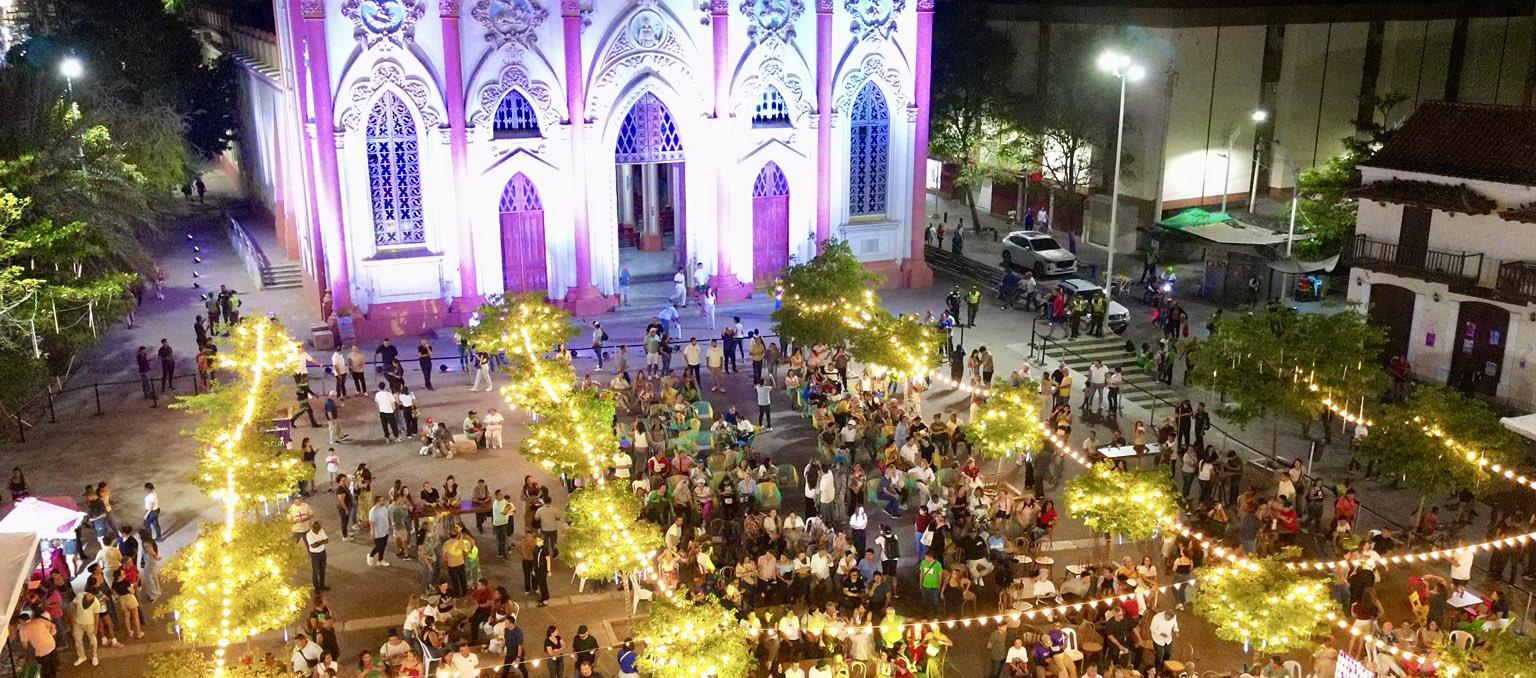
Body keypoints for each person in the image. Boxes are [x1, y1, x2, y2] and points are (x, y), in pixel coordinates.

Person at [19, 609, 59, 677]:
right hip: (51, 644)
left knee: (45, 669)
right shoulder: (38, 620)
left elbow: (24, 645)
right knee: (51, 663)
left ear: (21, 621)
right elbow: (52, 626)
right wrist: (49, 635)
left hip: (42, 650)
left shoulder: (23, 629)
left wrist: (30, 650)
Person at [367, 496, 392, 567]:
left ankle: (380, 560)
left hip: (385, 531)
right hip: (378, 533)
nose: (384, 501)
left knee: (383, 547)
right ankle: (370, 555)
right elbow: (372, 523)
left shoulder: (384, 508)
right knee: (379, 547)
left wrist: (389, 525)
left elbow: (386, 517)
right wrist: (372, 533)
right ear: (377, 502)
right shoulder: (373, 511)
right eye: (382, 500)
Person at [305, 520, 329, 591]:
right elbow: (313, 546)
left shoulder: (321, 530)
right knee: (316, 571)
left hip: (322, 552)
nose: (320, 528)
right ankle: (316, 588)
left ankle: (322, 585)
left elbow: (327, 540)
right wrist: (322, 542)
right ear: (313, 528)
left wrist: (318, 542)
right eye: (318, 527)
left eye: (319, 527)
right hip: (315, 554)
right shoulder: (309, 534)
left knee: (322, 570)